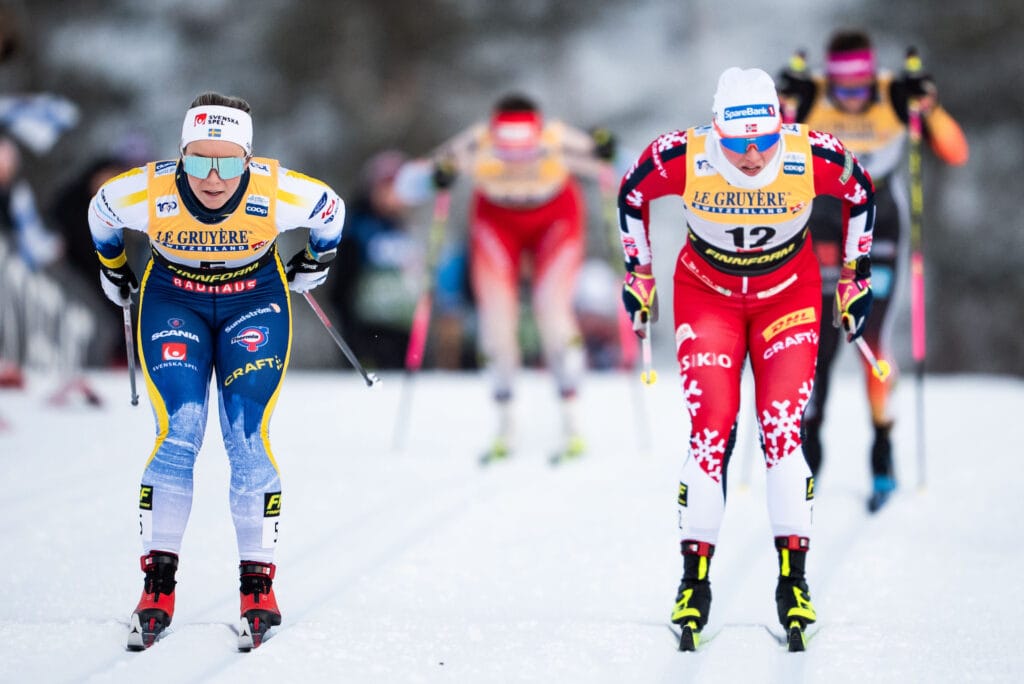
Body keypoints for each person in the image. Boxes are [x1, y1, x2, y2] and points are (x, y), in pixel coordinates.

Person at [617, 67, 876, 650]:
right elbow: (631, 194)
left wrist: (855, 277)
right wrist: (639, 272)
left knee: (782, 430)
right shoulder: (683, 153)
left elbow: (862, 192)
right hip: (708, 298)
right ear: (717, 132)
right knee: (712, 431)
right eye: (738, 144)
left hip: (789, 297)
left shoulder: (812, 152)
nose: (754, 155)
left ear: (780, 126)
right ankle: (693, 584)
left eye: (764, 138)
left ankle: (794, 584)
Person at [87, 92, 344, 651]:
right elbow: (101, 210)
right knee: (180, 430)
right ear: (180, 156)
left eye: (227, 163)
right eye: (197, 161)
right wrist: (115, 269)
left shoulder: (278, 191)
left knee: (246, 437)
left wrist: (312, 263)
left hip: (253, 300)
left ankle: (259, 590)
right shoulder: (146, 190)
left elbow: (332, 211)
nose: (211, 176)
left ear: (247, 160)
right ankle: (157, 590)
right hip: (171, 300)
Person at [777, 31, 969, 512]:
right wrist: (784, 106)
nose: (852, 93)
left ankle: (882, 447)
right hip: (822, 215)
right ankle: (809, 448)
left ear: (872, 72)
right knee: (818, 336)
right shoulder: (812, 94)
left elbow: (955, 151)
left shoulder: (895, 95)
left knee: (870, 334)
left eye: (860, 81)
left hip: (880, 216)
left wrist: (930, 107)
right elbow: (770, 151)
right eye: (842, 83)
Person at [419, 92, 616, 463]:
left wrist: (606, 148)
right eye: (506, 143)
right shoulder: (478, 140)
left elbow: (612, 163)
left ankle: (573, 421)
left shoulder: (555, 137)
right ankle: (505, 422)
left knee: (553, 311)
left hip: (556, 218)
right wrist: (438, 174)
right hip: (497, 220)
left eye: (524, 142)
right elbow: (422, 174)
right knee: (496, 319)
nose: (515, 155)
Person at [329, 150, 423, 369]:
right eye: (388, 188)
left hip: (401, 325)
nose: (395, 196)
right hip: (367, 328)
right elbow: (342, 285)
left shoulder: (405, 228)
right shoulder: (357, 227)